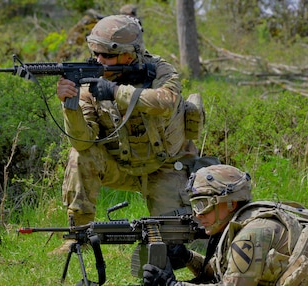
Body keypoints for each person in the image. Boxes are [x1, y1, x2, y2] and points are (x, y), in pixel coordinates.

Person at [53, 14, 208, 254]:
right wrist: (68, 105)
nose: (99, 60)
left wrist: (116, 91)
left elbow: (165, 101)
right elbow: (83, 141)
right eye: (96, 54)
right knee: (80, 156)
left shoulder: (159, 70)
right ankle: (78, 237)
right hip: (121, 166)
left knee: (181, 242)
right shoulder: (89, 81)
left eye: (107, 55)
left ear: (129, 54)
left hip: (166, 167)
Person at [143, 164, 308, 285]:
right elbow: (221, 271)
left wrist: (173, 285)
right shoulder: (239, 223)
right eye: (194, 206)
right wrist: (187, 257)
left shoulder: (251, 234)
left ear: (231, 203)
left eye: (203, 204)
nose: (197, 214)